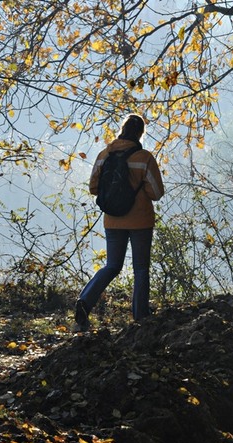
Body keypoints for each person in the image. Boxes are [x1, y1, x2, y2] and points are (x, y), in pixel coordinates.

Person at [74, 114, 165, 332]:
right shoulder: (144, 158)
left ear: (122, 129)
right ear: (141, 133)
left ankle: (85, 301)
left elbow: (93, 188)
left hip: (113, 220)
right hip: (140, 221)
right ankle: (141, 317)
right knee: (141, 268)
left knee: (112, 266)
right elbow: (156, 193)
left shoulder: (105, 154)